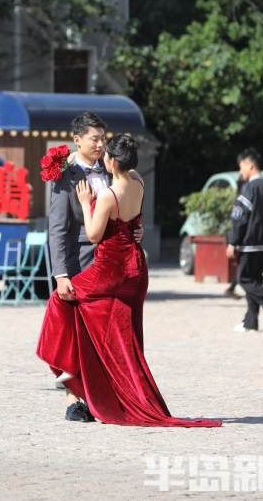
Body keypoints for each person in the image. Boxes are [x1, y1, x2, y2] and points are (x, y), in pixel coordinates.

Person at [37, 134, 220, 427]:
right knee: (125, 339)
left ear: (111, 161)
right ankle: (118, 392)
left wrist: (86, 203)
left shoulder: (109, 195)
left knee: (62, 299)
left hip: (111, 270)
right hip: (136, 270)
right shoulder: (138, 181)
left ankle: (87, 382)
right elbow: (134, 221)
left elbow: (95, 235)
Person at [42, 111, 142, 420]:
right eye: (94, 139)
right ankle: (75, 400)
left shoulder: (114, 168)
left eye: (103, 138)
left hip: (112, 264)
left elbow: (125, 209)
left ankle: (109, 396)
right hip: (79, 263)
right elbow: (58, 228)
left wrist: (135, 230)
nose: (100, 145)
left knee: (108, 332)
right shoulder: (64, 174)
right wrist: (60, 274)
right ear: (77, 140)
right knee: (75, 333)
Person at [227, 148, 263, 332]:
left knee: (243, 279)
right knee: (254, 281)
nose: (240, 172)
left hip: (250, 244)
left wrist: (233, 241)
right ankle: (250, 322)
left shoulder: (250, 188)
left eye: (241, 167)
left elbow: (240, 217)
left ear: (250, 165)